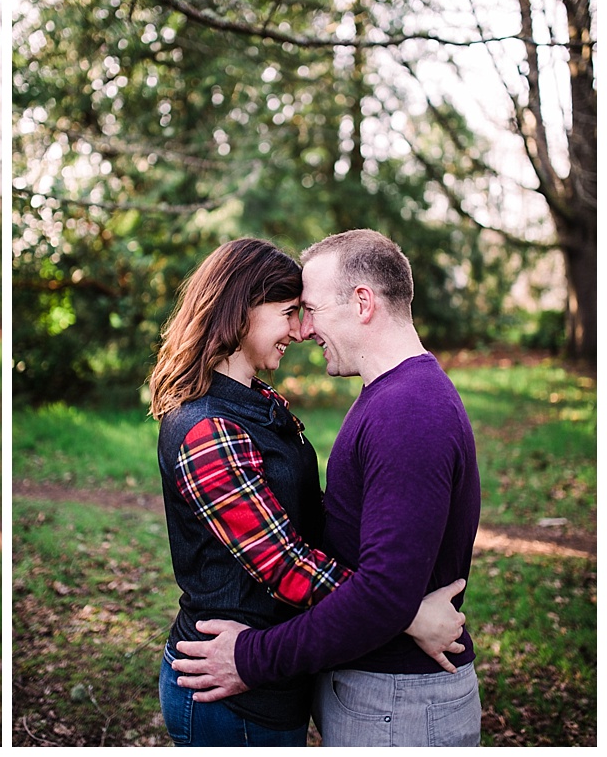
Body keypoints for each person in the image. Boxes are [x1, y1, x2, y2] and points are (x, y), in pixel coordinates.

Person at [148, 238, 467, 747]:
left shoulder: (258, 403)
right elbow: (282, 561)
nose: (301, 331)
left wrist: (384, 598)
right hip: (228, 684)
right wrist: (403, 611)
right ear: (242, 310)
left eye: (306, 311)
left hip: (269, 673)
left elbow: (309, 516)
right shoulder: (208, 426)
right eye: (290, 312)